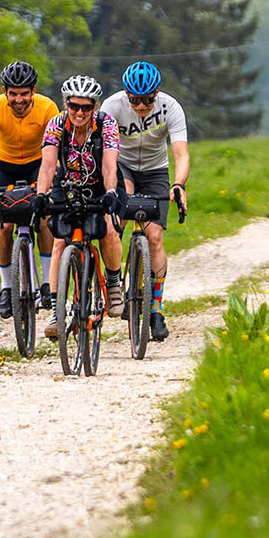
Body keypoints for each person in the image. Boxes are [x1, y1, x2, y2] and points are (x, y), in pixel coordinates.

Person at [101, 59, 187, 342]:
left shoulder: (171, 107)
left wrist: (178, 184)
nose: (140, 107)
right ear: (126, 95)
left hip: (155, 171)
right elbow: (103, 151)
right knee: (117, 221)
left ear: (157, 92)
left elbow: (181, 154)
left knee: (154, 236)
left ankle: (156, 309)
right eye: (135, 101)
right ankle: (118, 281)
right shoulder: (111, 107)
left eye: (147, 100)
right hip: (123, 166)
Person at [34, 73, 121, 336]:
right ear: (66, 105)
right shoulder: (56, 125)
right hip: (67, 185)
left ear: (95, 106)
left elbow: (109, 163)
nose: (79, 112)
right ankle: (56, 312)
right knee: (61, 240)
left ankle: (114, 285)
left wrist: (111, 191)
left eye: (86, 107)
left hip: (99, 185)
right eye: (74, 106)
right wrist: (41, 193)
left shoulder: (107, 125)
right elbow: (48, 164)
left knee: (108, 228)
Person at [0, 59, 59, 320]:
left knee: (43, 218)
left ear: (33, 91)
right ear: (4, 91)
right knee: (3, 226)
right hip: (5, 165)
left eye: (24, 94)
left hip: (37, 164)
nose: (19, 100)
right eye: (13, 94)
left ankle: (46, 283)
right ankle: (7, 287)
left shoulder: (47, 108)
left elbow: (53, 150)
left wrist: (52, 176)